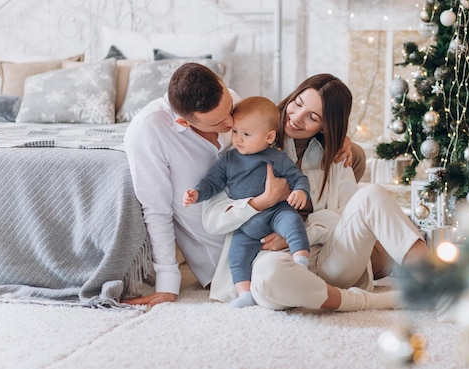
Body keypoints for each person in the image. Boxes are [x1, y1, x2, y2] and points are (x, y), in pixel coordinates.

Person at [122, 62, 359, 307]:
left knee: (353, 158)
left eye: (230, 110)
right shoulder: (148, 131)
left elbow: (268, 126)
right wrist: (168, 284)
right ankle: (357, 299)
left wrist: (338, 136)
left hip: (273, 227)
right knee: (275, 284)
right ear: (184, 123)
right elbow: (157, 211)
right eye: (219, 123)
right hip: (228, 255)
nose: (230, 123)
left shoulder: (231, 100)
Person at [202, 73, 431, 311]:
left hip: (330, 260)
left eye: (313, 117)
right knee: (269, 276)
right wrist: (260, 202)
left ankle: (438, 282)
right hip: (272, 262)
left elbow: (348, 214)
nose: (296, 118)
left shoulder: (336, 155)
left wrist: (299, 233)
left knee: (371, 194)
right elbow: (212, 219)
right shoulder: (246, 142)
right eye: (298, 104)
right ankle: (375, 302)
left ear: (326, 125)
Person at [182, 96, 311, 308]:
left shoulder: (276, 157)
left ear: (269, 137)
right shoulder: (229, 159)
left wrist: (300, 191)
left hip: (277, 212)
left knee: (293, 224)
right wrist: (197, 193)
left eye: (246, 134)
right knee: (236, 256)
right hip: (247, 222)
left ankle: (301, 261)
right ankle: (244, 294)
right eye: (235, 132)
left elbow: (298, 177)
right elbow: (212, 182)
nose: (238, 139)